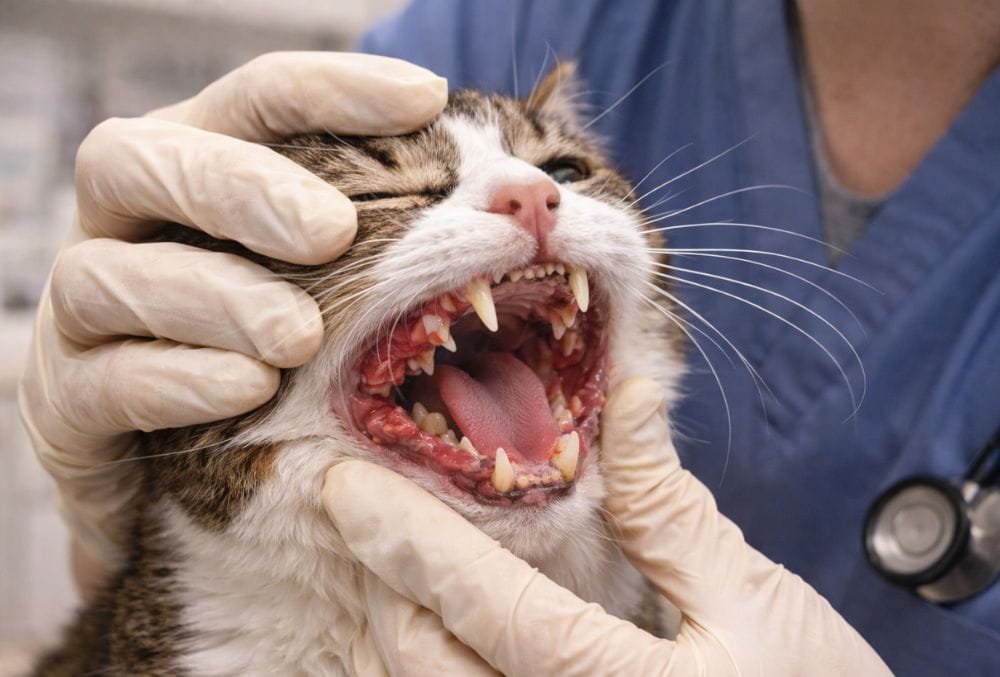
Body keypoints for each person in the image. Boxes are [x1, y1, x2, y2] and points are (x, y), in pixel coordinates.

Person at [19, 0, 1000, 673]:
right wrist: (148, 461)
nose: (532, 192)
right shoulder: (516, 20)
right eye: (397, 187)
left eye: (567, 169)